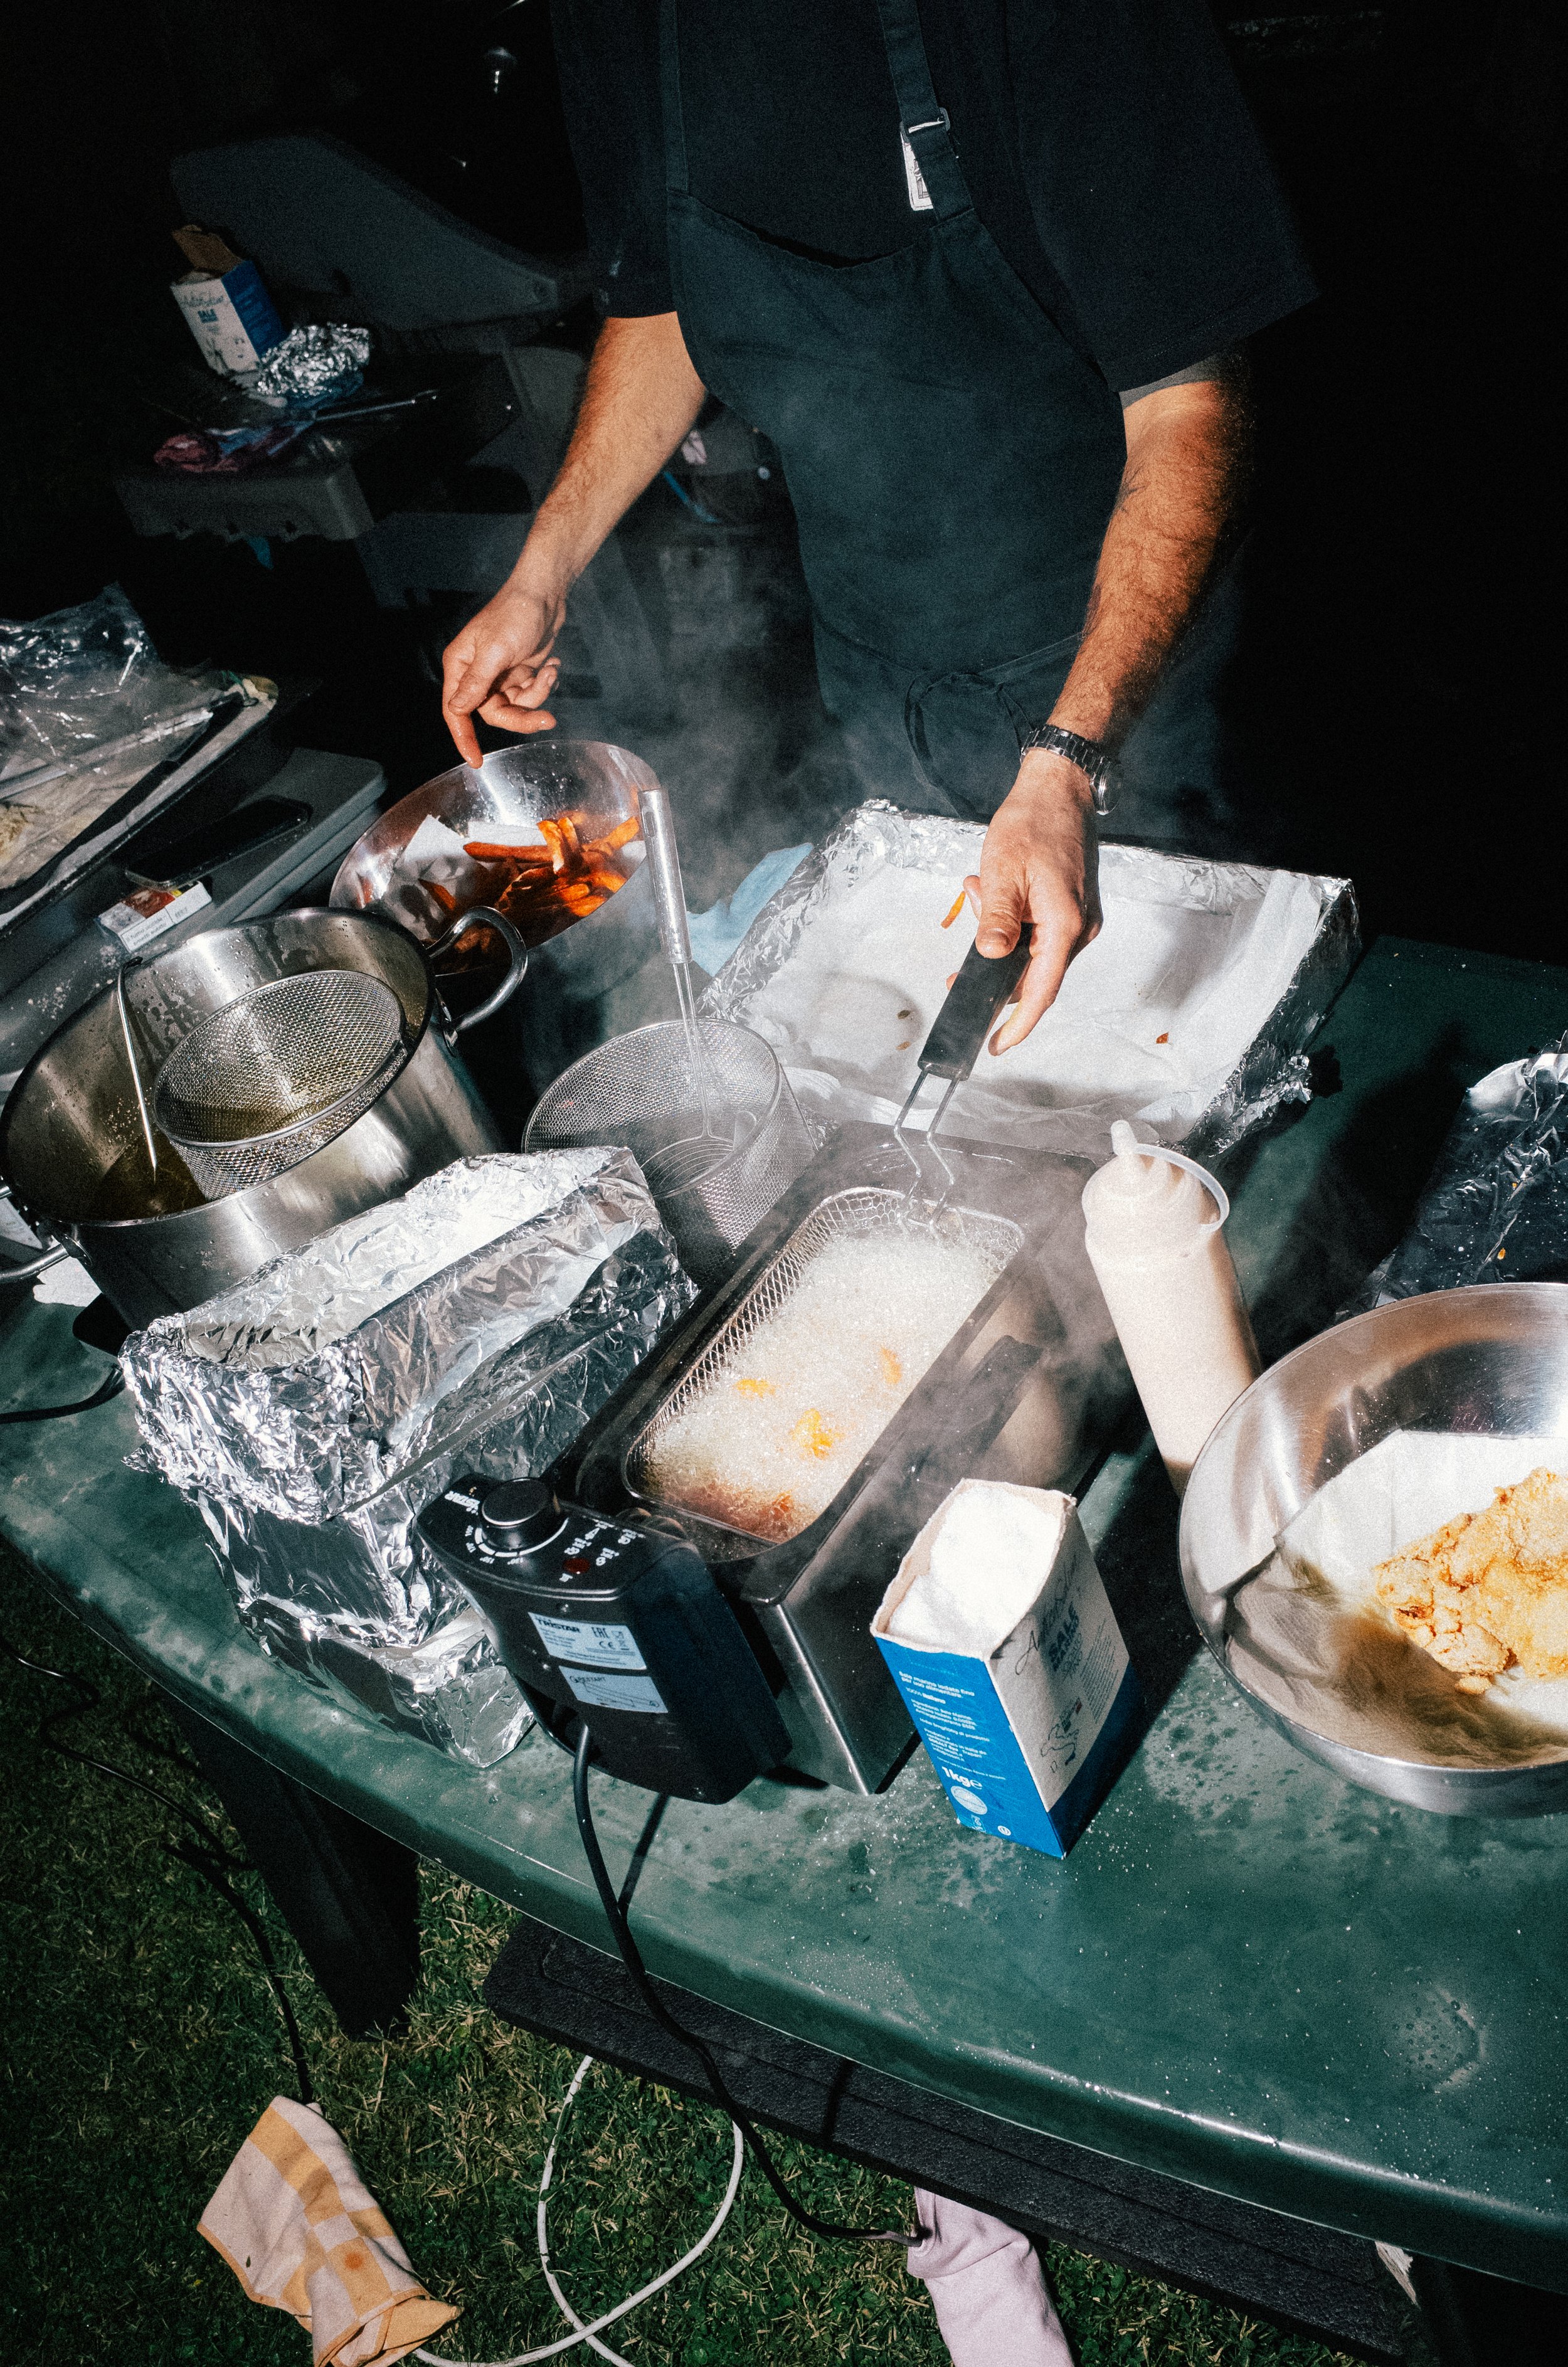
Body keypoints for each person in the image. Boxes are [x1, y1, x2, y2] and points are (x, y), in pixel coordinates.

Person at [443, 1, 1313, 1051]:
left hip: (1124, 667)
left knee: (1174, 1043)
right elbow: (662, 307)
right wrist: (545, 568)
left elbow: (1191, 400)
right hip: (874, 657)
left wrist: (1067, 759)